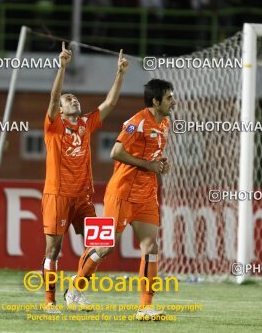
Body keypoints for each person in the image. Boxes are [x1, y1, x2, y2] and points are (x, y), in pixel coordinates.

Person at [65, 78, 176, 321]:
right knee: (105, 247)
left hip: (146, 194)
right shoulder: (137, 122)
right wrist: (148, 164)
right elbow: (115, 152)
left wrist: (160, 164)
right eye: (169, 98)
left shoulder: (165, 122)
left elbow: (152, 154)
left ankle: (145, 307)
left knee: (151, 247)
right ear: (155, 101)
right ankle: (74, 288)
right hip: (122, 192)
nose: (173, 102)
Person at [42, 42, 129, 314]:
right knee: (53, 251)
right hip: (57, 195)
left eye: (75, 98)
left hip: (83, 197)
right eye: (69, 99)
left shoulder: (86, 123)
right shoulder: (53, 126)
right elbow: (54, 98)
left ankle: (75, 291)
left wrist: (120, 73)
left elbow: (110, 103)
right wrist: (62, 66)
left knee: (103, 245)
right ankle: (49, 302)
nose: (73, 100)